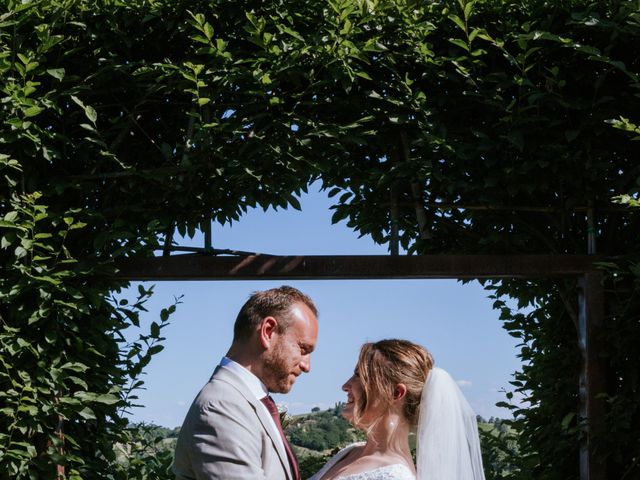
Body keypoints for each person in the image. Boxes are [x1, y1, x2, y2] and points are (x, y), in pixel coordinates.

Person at [172, 285, 319, 480]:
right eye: (303, 349)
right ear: (268, 331)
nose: (306, 365)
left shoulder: (245, 401)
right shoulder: (222, 407)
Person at [310, 339, 485, 480]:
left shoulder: (396, 476)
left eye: (359, 375)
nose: (345, 386)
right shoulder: (349, 452)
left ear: (396, 393)